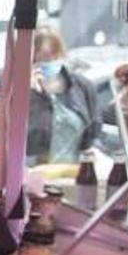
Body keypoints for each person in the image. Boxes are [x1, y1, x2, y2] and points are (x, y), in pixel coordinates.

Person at [26, 26, 102, 164]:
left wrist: (92, 150)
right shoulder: (23, 92)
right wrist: (32, 93)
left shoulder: (82, 87)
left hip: (75, 172)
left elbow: (95, 130)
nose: (49, 61)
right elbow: (16, 134)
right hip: (35, 172)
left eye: (53, 55)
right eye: (43, 57)